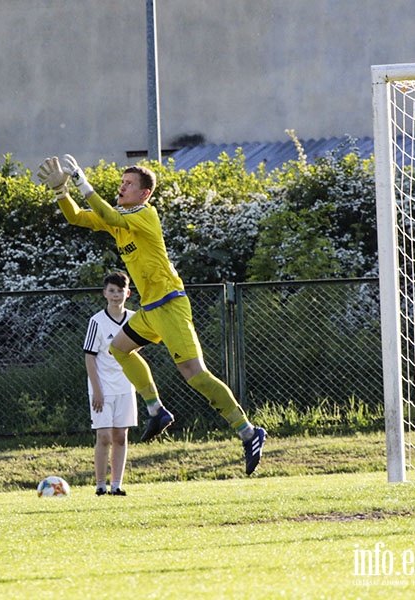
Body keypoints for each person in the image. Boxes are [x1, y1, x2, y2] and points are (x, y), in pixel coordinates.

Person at [38, 155, 266, 475]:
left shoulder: (145, 214)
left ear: (145, 194)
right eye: (121, 183)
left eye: (128, 184)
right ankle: (156, 409)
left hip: (171, 304)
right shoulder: (118, 218)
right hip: (150, 309)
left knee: (195, 375)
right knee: (118, 348)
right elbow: (77, 217)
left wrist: (80, 179)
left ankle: (248, 431)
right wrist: (61, 192)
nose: (121, 187)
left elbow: (103, 212)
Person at [85, 271, 137, 496]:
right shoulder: (96, 321)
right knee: (104, 436)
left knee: (120, 436)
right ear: (105, 293)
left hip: (126, 386)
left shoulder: (135, 319)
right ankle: (100, 485)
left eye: (120, 291)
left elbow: (140, 346)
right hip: (102, 387)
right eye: (112, 291)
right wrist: (97, 390)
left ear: (128, 293)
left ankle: (116, 485)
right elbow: (89, 356)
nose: (116, 295)